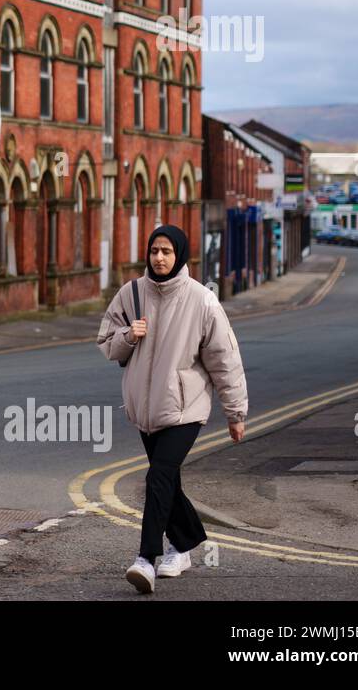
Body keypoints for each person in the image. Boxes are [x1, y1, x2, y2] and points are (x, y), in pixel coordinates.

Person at [96, 223, 248, 594]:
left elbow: (224, 359)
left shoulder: (202, 300)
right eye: (154, 251)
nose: (159, 257)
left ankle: (145, 559)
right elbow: (107, 346)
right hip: (145, 411)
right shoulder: (130, 294)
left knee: (158, 477)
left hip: (186, 409)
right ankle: (183, 545)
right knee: (168, 481)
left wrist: (235, 412)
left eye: (166, 251)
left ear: (179, 254)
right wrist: (129, 335)